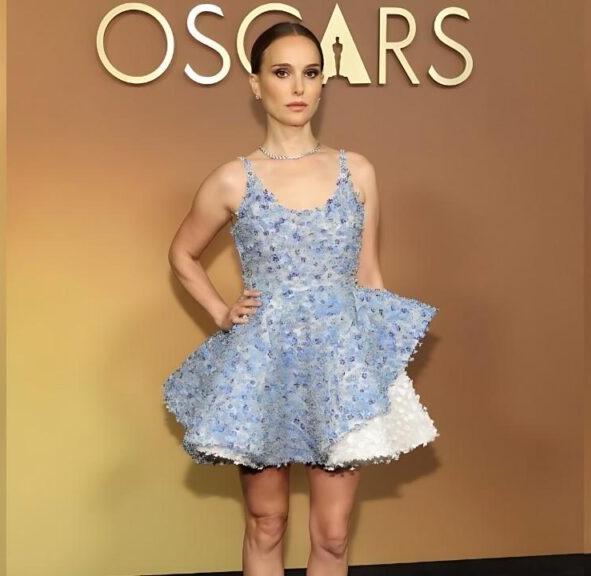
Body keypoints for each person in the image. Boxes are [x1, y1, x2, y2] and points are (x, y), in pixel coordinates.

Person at [164, 21, 439, 576]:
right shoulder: (232, 180)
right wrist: (221, 312)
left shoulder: (357, 171)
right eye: (282, 72)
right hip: (262, 367)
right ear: (255, 83)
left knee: (333, 537)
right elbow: (182, 254)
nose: (297, 87)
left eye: (310, 74)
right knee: (266, 524)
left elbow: (369, 277)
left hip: (338, 366)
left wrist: (377, 372)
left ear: (322, 84)